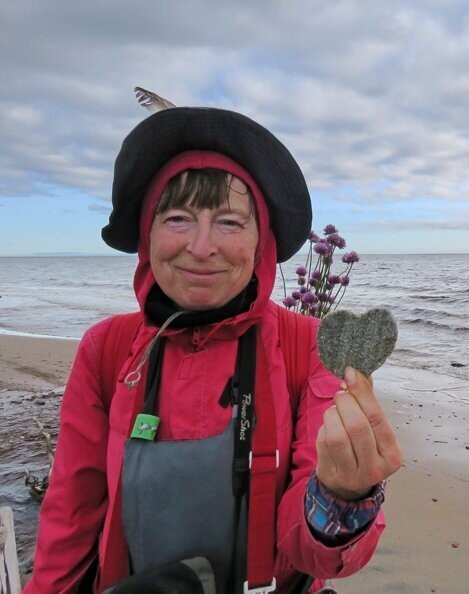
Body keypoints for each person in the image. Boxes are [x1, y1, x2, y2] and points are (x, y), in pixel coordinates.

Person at [24, 107, 403, 594]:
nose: (202, 247)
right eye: (179, 218)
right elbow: (69, 522)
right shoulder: (107, 349)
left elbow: (313, 554)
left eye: (229, 222)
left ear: (260, 241)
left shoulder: (305, 345)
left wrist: (342, 496)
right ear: (147, 233)